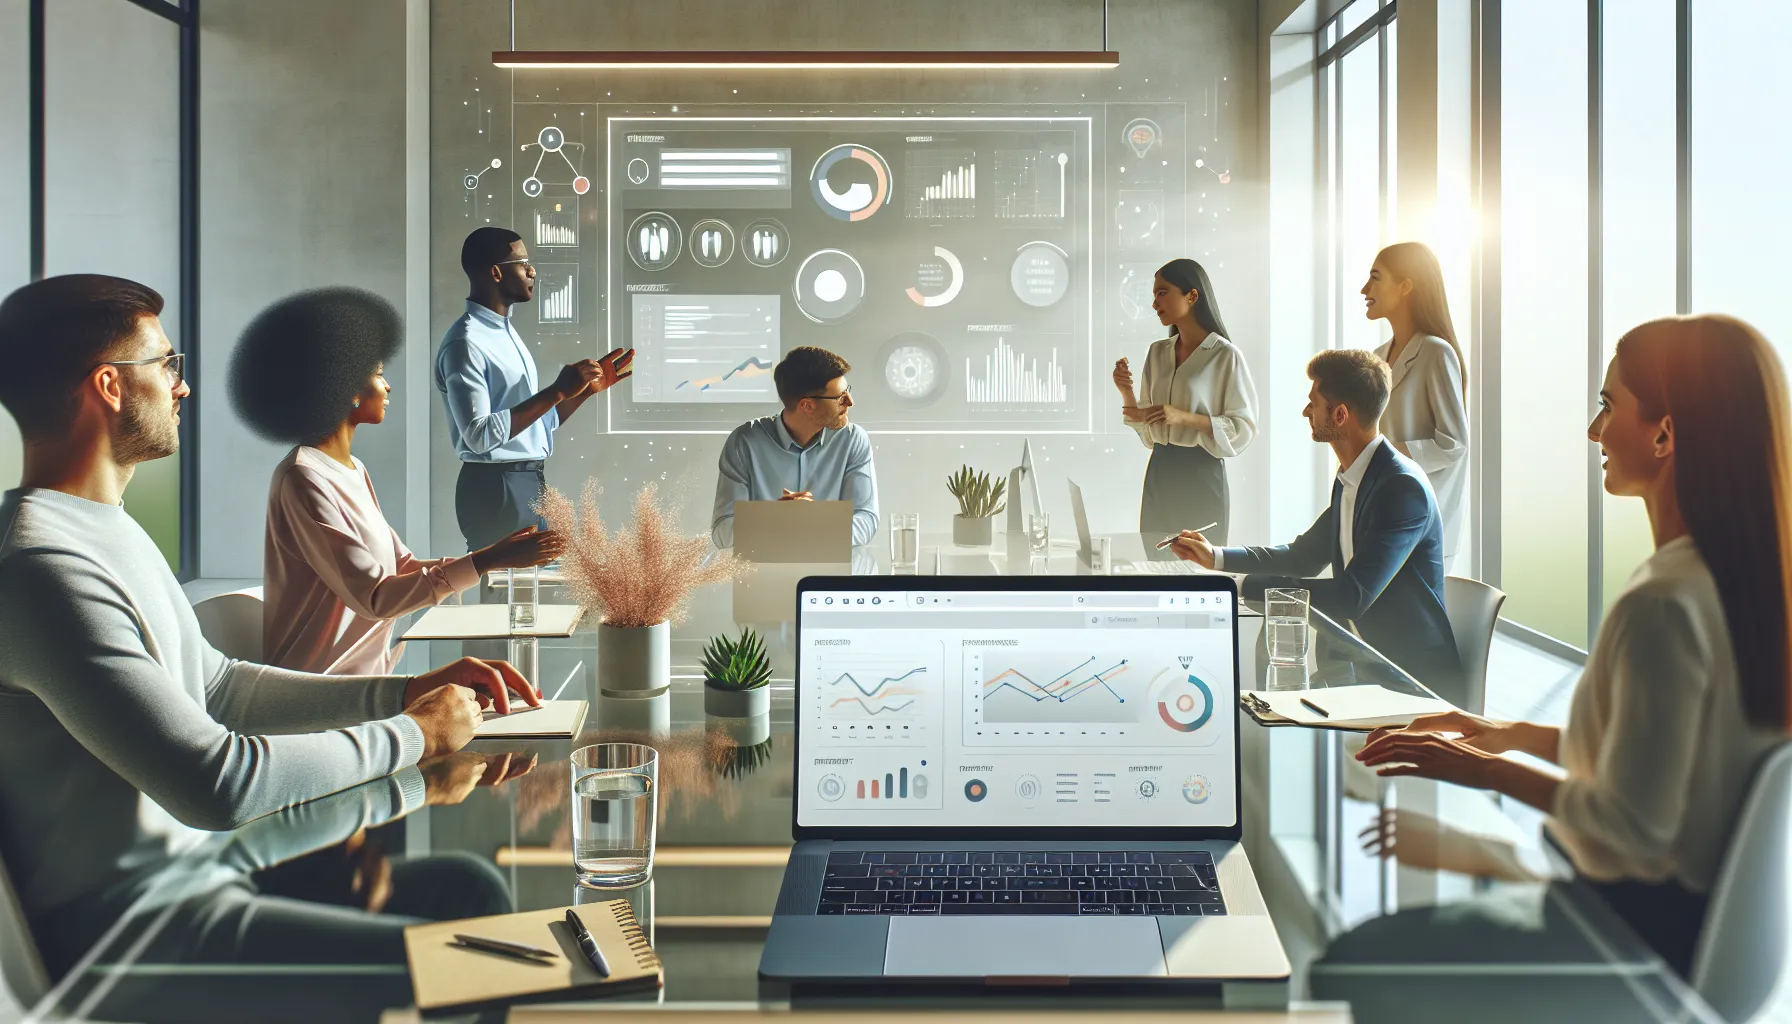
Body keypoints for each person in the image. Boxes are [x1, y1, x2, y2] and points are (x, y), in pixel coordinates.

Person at [0, 274, 538, 978]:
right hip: (137, 931)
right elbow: (216, 784)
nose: (182, 386)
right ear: (109, 386)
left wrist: (400, 695)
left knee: (472, 892)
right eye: (167, 366)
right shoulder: (43, 570)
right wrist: (416, 734)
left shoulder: (104, 531)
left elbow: (219, 688)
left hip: (208, 869)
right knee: (486, 965)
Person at [1349, 315, 1790, 976]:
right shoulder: (1738, 584)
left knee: (1342, 961)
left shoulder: (1661, 608)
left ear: (1665, 432)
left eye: (1609, 406)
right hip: (1703, 939)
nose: (1594, 431)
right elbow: (1660, 764)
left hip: (1625, 942)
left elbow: (1632, 828)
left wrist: (1477, 771)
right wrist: (1500, 732)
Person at [232, 287, 565, 675]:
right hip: (320, 687)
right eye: (377, 375)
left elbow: (401, 566)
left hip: (368, 679)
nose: (387, 386)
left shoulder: (351, 469)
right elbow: (376, 597)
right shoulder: (302, 478)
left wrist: (493, 560)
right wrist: (490, 558)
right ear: (345, 389)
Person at [1171, 349, 1462, 700]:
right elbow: (1302, 557)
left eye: (1314, 403)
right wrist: (1215, 556)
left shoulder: (1402, 489)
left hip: (1408, 678)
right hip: (1360, 662)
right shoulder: (1352, 478)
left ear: (1340, 415)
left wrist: (1242, 587)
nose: (1306, 411)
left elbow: (1350, 598)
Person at [434, 226, 632, 554]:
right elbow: (479, 436)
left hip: (528, 482)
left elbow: (536, 426)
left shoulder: (503, 334)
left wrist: (582, 392)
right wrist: (557, 391)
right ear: (496, 272)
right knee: (507, 596)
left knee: (536, 593)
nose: (532, 271)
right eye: (522, 261)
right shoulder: (466, 343)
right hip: (495, 487)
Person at [1113, 258, 1259, 544]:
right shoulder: (1157, 352)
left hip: (1201, 476)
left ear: (1192, 295)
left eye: (1162, 293)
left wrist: (1182, 417)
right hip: (1160, 470)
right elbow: (1148, 428)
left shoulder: (1224, 355)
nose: (1155, 303)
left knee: (1198, 571)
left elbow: (1244, 427)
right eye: (1154, 295)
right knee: (1155, 568)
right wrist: (1126, 392)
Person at [1362, 242, 1469, 565]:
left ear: (1406, 286)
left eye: (1376, 278)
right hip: (1382, 512)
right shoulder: (1377, 357)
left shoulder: (1436, 352)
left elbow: (1454, 444)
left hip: (1422, 521)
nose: (1365, 289)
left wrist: (1385, 452)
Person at [710, 346, 878, 549]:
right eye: (840, 397)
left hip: (832, 577)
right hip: (761, 576)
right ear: (807, 406)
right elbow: (722, 533)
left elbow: (867, 520)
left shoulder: (852, 440)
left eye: (847, 392)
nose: (850, 402)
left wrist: (810, 522)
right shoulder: (745, 442)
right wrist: (778, 517)